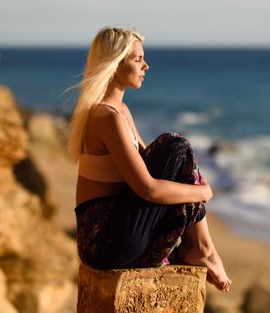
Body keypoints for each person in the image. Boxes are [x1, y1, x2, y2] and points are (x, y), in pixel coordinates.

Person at [67, 26, 231, 292]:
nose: (146, 66)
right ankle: (201, 248)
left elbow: (153, 167)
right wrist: (202, 191)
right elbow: (147, 188)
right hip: (104, 242)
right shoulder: (105, 117)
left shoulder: (120, 112)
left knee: (177, 149)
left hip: (118, 232)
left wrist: (192, 185)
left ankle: (201, 248)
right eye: (137, 59)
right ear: (115, 63)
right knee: (175, 144)